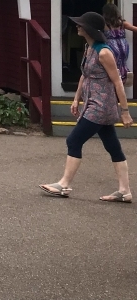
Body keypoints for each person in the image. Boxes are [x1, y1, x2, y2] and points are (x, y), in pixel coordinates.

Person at [41, 11, 133, 201]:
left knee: (74, 140)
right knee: (113, 146)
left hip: (101, 106)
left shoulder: (104, 52)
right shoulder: (89, 48)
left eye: (81, 24)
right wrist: (76, 98)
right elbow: (85, 75)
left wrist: (125, 111)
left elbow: (118, 82)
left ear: (90, 29)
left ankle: (64, 185)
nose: (77, 26)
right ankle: (125, 191)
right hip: (92, 102)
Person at [102, 3, 135, 88]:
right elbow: (135, 29)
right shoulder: (122, 23)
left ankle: (113, 85)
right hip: (123, 47)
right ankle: (122, 80)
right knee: (122, 63)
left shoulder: (105, 24)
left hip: (111, 47)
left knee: (112, 66)